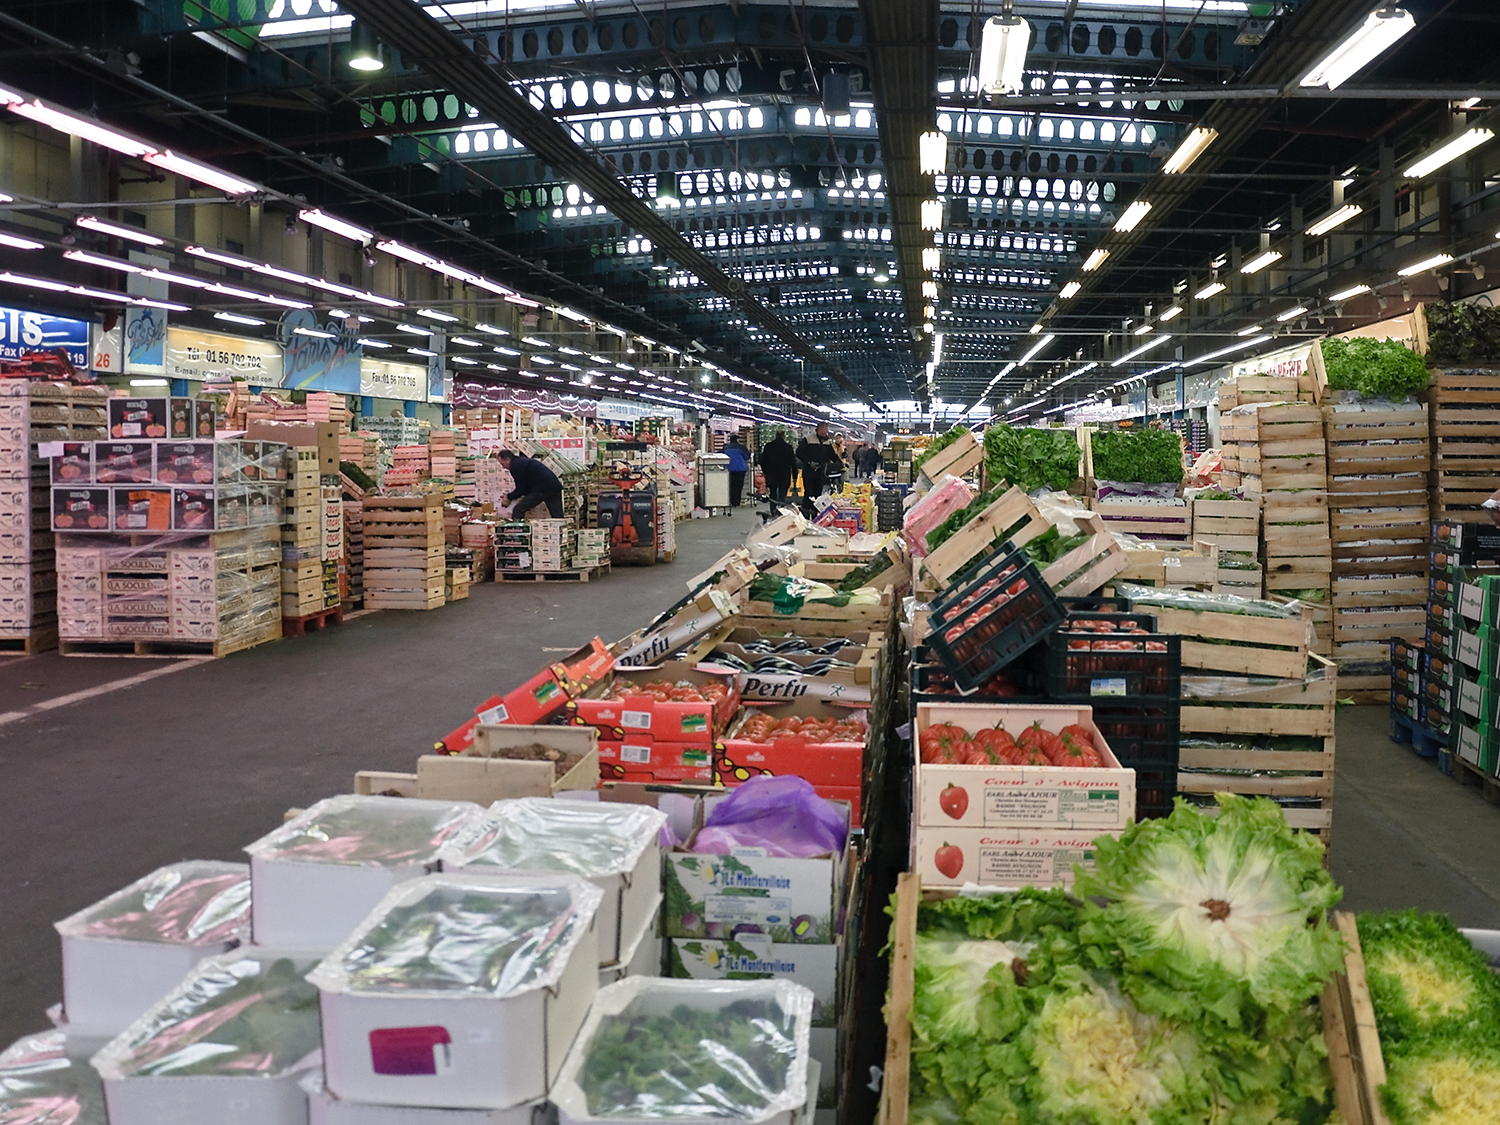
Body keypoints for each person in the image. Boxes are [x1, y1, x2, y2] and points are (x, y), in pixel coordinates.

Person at [498, 449, 564, 519]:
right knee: (557, 516)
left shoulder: (515, 466)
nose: (503, 467)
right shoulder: (521, 461)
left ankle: (516, 526)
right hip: (554, 485)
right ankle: (562, 525)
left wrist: (509, 497)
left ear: (508, 460)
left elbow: (521, 489)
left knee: (518, 510)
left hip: (541, 488)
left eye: (503, 464)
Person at [795, 422, 840, 517]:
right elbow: (799, 452)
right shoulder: (808, 439)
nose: (825, 432)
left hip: (821, 473)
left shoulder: (827, 442)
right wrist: (809, 462)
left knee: (818, 496)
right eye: (823, 429)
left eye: (826, 430)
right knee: (808, 494)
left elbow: (831, 454)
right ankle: (805, 516)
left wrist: (839, 462)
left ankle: (815, 516)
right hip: (809, 473)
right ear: (817, 430)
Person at [759, 429, 796, 507]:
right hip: (784, 475)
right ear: (784, 436)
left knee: (773, 493)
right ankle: (781, 510)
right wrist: (795, 476)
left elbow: (762, 461)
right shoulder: (788, 447)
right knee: (782, 493)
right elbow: (793, 462)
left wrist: (765, 472)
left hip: (772, 475)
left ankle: (773, 510)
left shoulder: (768, 446)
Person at [723, 433, 750, 507]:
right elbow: (747, 456)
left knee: (731, 485)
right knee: (739, 485)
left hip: (729, 468)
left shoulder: (726, 448)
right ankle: (737, 501)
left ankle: (731, 501)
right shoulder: (741, 448)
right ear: (737, 440)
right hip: (740, 469)